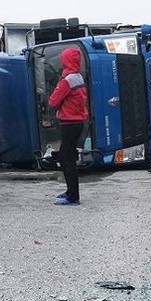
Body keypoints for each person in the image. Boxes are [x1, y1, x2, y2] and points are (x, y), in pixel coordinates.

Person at [48, 47, 88, 206]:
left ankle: (73, 196)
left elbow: (53, 102)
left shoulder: (67, 80)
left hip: (69, 124)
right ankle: (70, 192)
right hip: (77, 123)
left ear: (66, 61)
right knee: (67, 157)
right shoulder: (78, 77)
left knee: (67, 159)